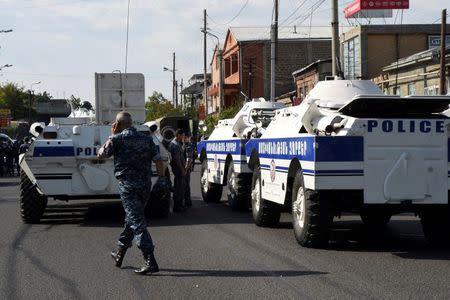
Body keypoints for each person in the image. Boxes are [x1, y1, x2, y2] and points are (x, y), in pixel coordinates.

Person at [97, 111, 166, 275]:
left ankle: (150, 261)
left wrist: (111, 136)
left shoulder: (117, 139)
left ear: (117, 124)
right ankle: (119, 254)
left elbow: (100, 155)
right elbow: (158, 159)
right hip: (145, 186)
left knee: (137, 223)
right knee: (132, 219)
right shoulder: (146, 138)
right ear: (132, 123)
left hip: (128, 187)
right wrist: (162, 179)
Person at [169, 129, 187, 212]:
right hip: (178, 169)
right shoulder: (175, 145)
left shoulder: (176, 143)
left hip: (179, 168)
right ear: (178, 135)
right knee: (178, 188)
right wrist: (182, 169)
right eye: (182, 135)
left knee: (180, 187)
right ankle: (177, 206)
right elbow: (177, 160)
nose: (183, 137)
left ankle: (179, 205)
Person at [183, 135, 194, 207]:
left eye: (185, 137)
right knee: (185, 185)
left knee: (186, 185)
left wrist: (186, 169)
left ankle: (187, 201)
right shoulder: (185, 145)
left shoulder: (188, 146)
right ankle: (186, 201)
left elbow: (189, 158)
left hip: (186, 168)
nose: (183, 139)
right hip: (184, 168)